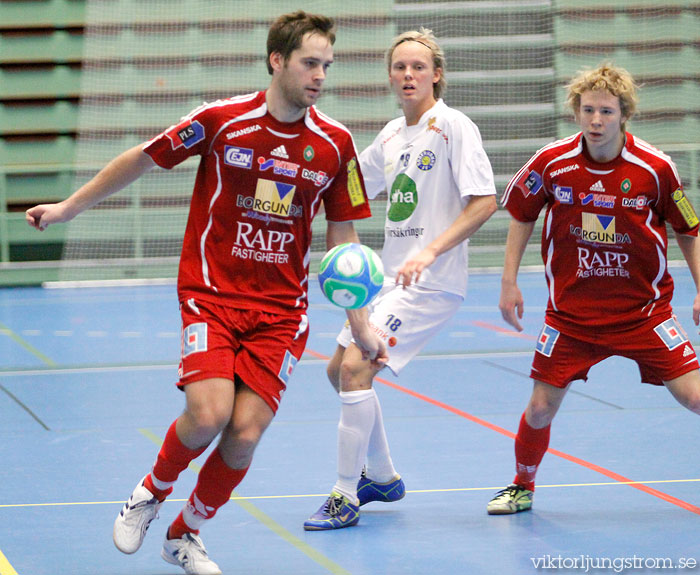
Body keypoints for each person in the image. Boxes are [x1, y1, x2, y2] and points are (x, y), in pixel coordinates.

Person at [26, 11, 387, 575]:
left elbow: (345, 240)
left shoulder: (336, 144)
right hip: (211, 294)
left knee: (244, 434)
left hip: (282, 312)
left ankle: (185, 534)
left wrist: (361, 323)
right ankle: (151, 490)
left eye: (326, 66)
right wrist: (68, 208)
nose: (320, 75)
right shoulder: (222, 121)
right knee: (208, 413)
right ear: (278, 60)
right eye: (310, 63)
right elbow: (143, 159)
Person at [303, 28, 498, 531]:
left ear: (436, 74)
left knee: (354, 370)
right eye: (399, 67)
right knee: (337, 373)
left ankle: (345, 495)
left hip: (431, 282)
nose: (408, 75)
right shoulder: (391, 135)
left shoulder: (453, 126)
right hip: (388, 280)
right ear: (390, 75)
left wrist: (429, 251)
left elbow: (484, 202)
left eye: (418, 67)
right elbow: (344, 187)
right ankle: (382, 477)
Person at [487, 63, 700, 515]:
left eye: (606, 111)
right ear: (576, 112)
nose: (596, 121)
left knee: (695, 397)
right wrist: (508, 283)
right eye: (588, 110)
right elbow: (522, 215)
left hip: (645, 314)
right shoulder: (551, 163)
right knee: (541, 407)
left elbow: (689, 229)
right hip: (572, 319)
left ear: (624, 114)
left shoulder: (656, 169)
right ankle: (522, 485)